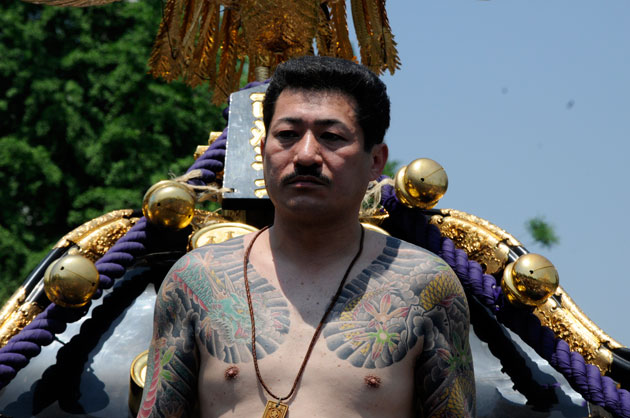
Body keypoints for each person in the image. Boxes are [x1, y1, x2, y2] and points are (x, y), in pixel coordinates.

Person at [138, 56, 476, 418]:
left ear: (376, 160)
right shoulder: (195, 280)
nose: (305, 155)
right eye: (287, 135)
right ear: (262, 147)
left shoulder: (427, 286)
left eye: (331, 137)